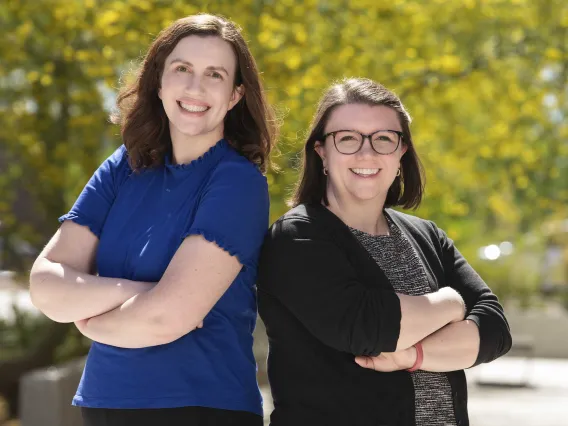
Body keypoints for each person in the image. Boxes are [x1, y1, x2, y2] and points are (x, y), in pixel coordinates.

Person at [29, 14, 277, 426]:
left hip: (198, 406)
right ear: (159, 81)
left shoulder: (238, 182)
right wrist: (141, 291)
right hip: (103, 400)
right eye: (182, 69)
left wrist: (88, 318)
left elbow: (167, 318)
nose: (195, 87)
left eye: (215, 75)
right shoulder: (124, 166)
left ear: (234, 96)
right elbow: (46, 285)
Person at [257, 77, 511, 426]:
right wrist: (452, 303)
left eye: (383, 139)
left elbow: (495, 330)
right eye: (347, 138)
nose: (367, 153)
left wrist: (414, 354)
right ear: (322, 151)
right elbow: (370, 329)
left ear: (401, 151)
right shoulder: (297, 237)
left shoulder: (427, 236)